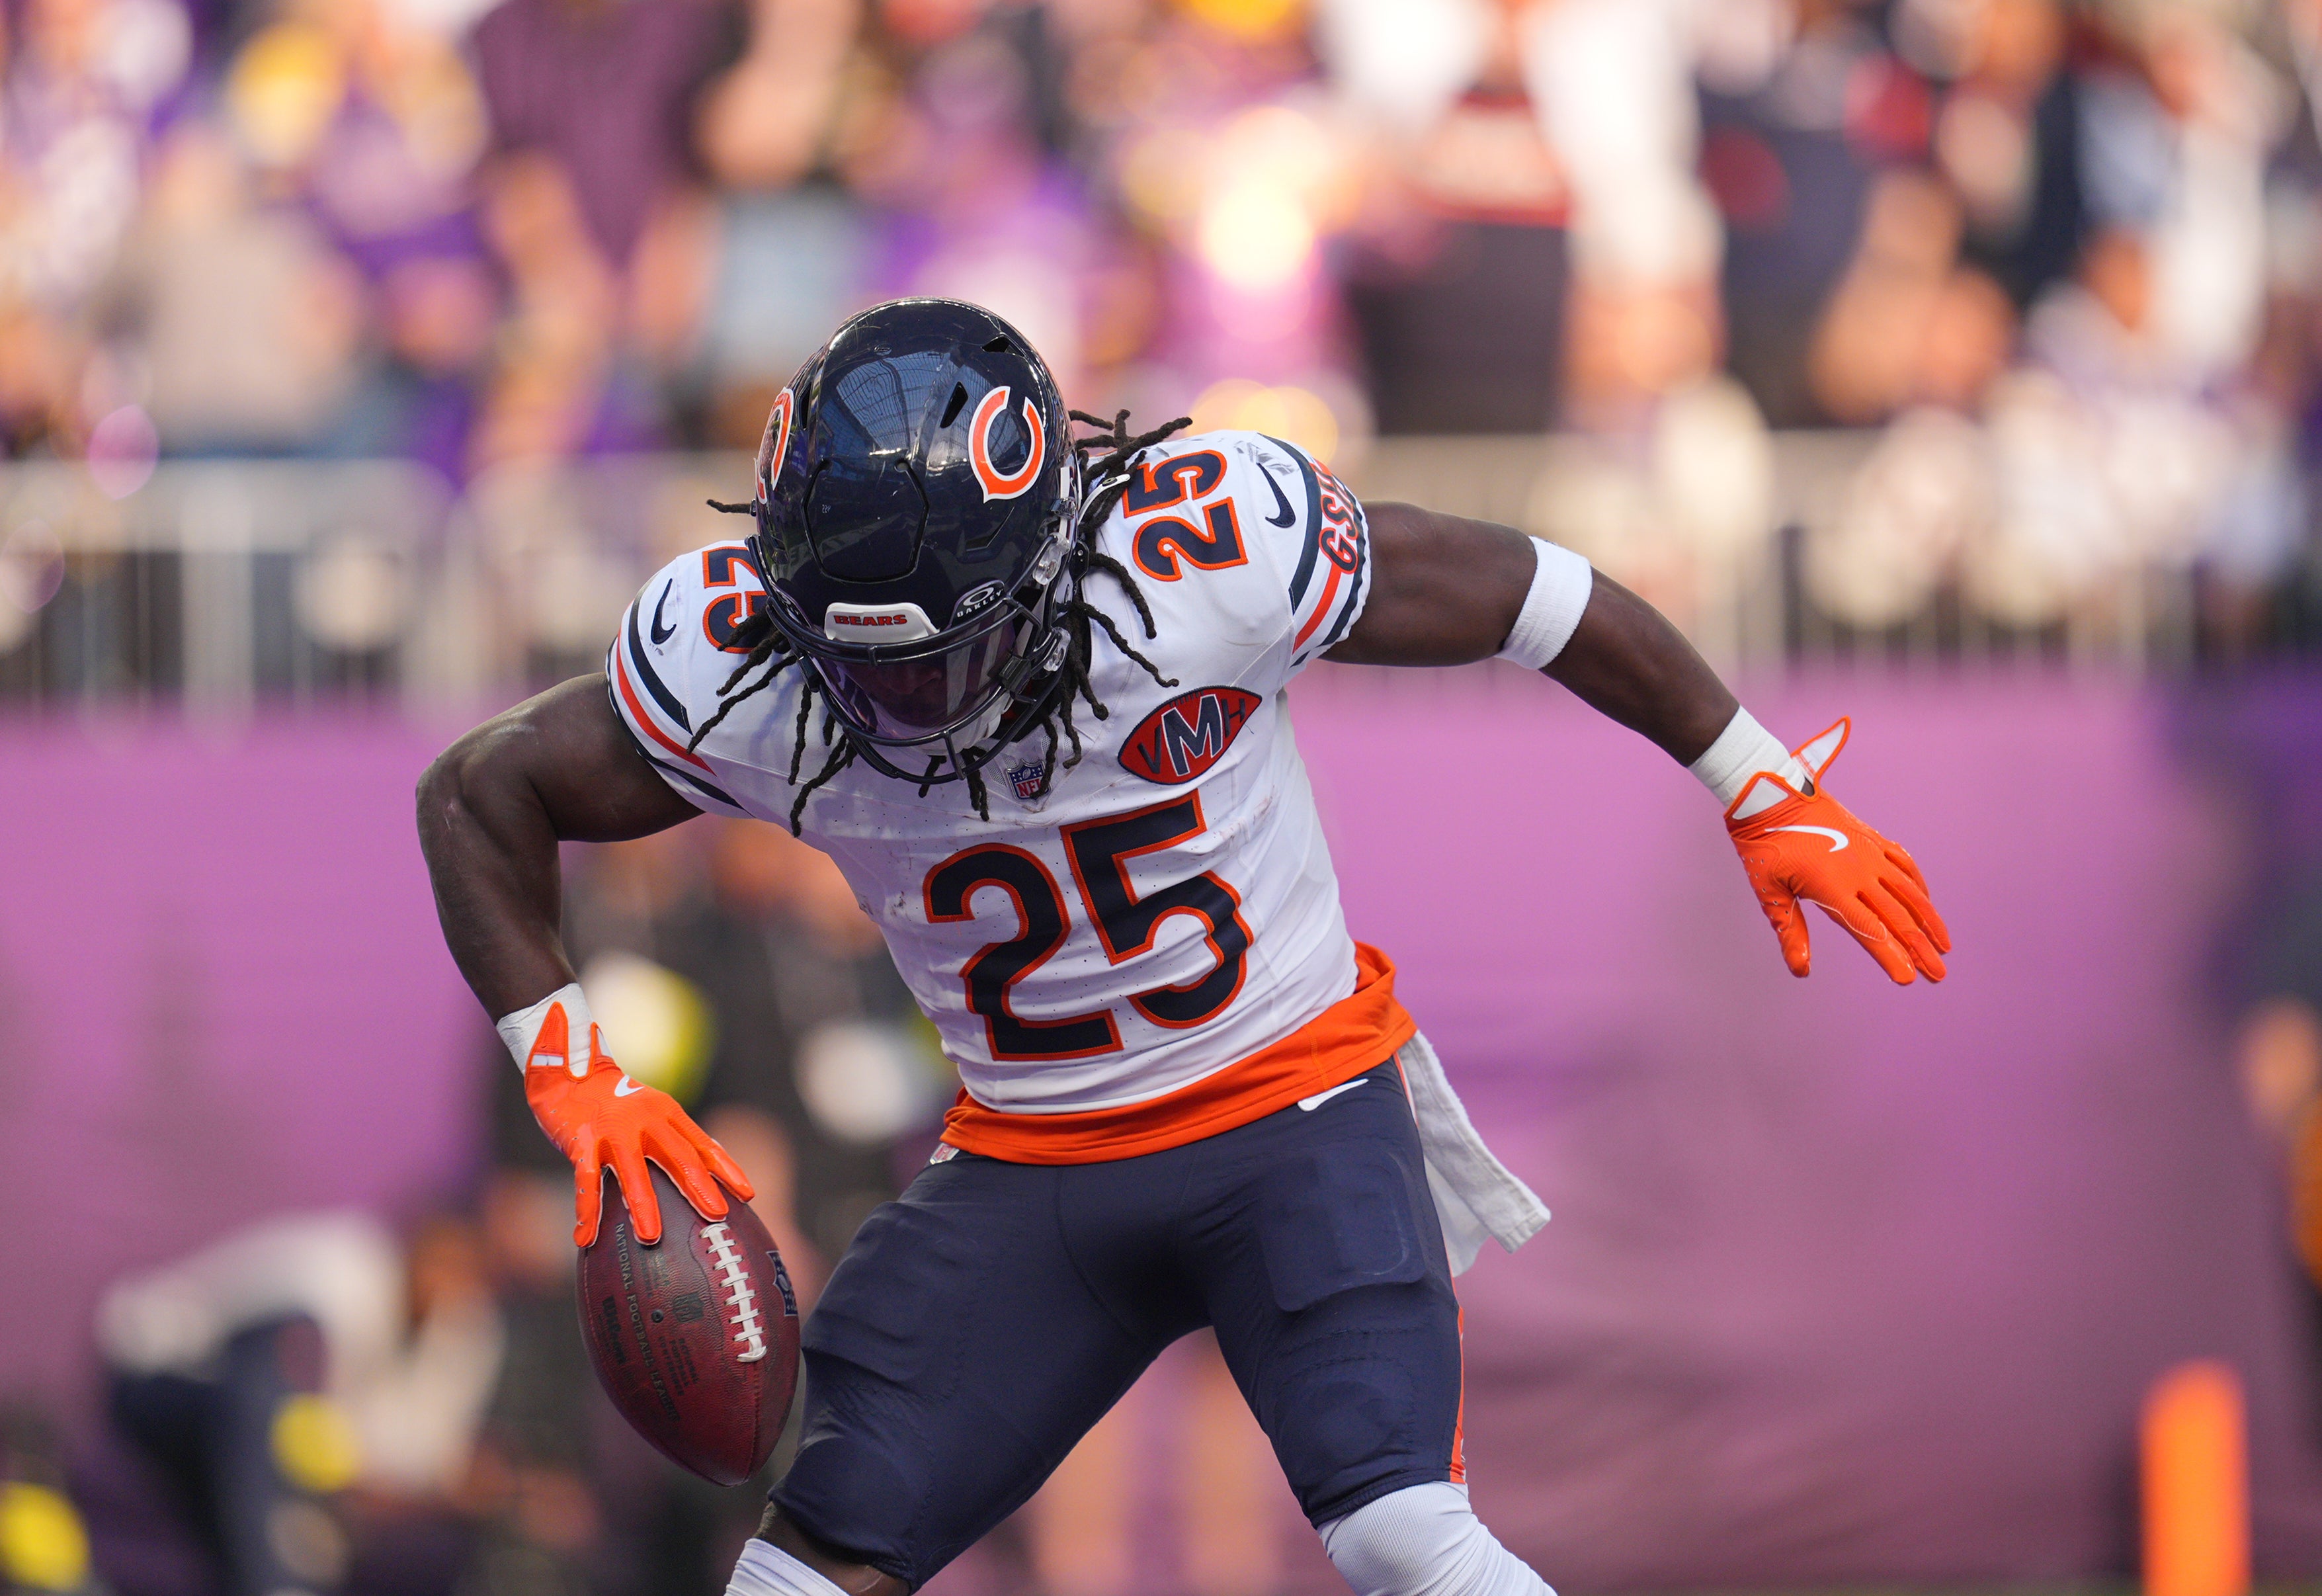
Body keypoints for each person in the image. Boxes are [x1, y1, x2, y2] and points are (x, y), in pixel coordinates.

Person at [415, 298, 1951, 1596]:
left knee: (1406, 1535)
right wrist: (569, 1073)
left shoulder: (1196, 553)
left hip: (1293, 1111)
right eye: (869, 661)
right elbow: (481, 792)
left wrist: (1754, 775)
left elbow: (1525, 591)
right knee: (798, 1569)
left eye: (952, 647)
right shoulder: (738, 651)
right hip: (1027, 1167)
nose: (915, 701)